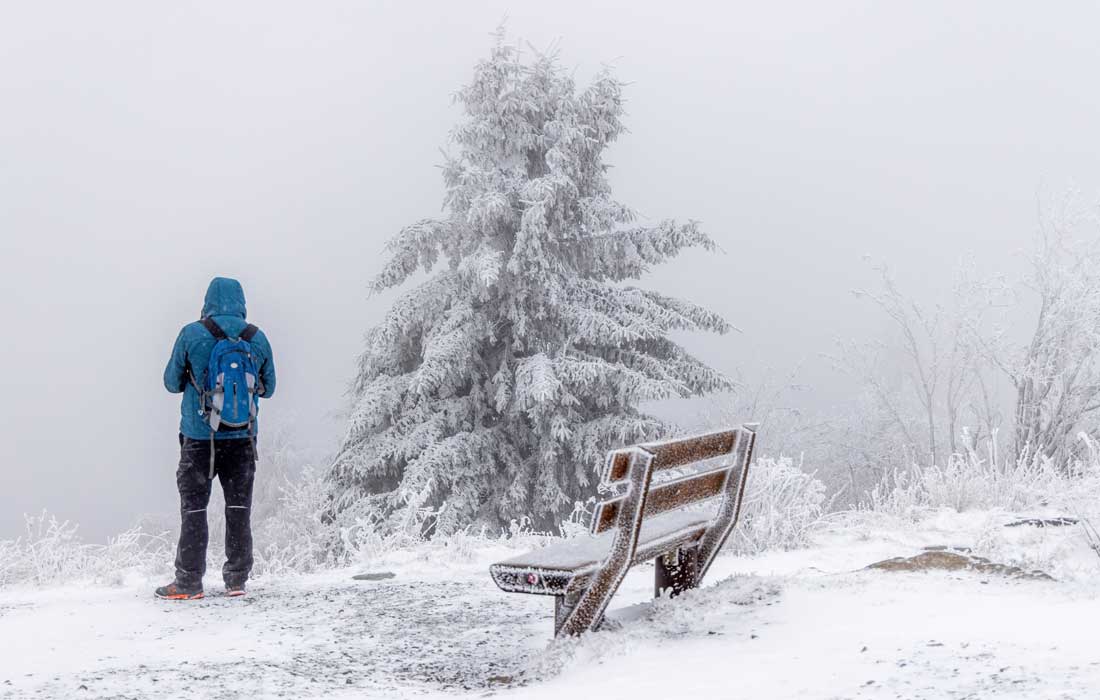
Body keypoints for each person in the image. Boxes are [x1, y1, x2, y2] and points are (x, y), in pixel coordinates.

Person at [156, 277, 276, 600]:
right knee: (239, 507)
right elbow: (270, 387)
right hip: (243, 439)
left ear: (207, 300)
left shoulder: (192, 334)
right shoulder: (256, 337)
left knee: (194, 508)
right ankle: (236, 581)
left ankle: (188, 582)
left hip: (199, 439)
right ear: (241, 301)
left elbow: (170, 382)